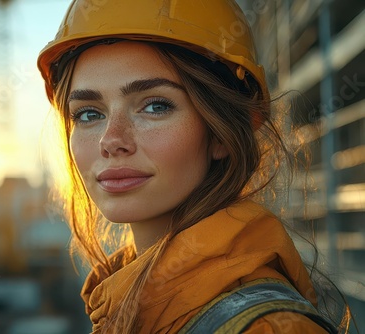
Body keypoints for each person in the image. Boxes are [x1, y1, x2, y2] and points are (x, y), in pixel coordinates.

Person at [37, 0, 351, 333]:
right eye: (88, 114)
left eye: (155, 106)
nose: (111, 140)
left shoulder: (269, 329)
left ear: (221, 134)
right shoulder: (123, 302)